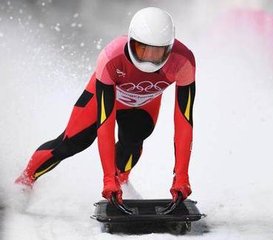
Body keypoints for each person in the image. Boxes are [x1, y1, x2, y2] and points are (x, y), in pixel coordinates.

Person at [15, 7, 196, 204]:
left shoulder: (184, 61)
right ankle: (24, 181)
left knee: (135, 137)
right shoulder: (111, 57)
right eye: (142, 49)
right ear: (131, 42)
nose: (149, 58)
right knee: (73, 141)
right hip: (106, 97)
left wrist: (182, 177)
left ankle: (123, 182)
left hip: (145, 103)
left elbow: (184, 121)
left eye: (157, 52)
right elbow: (105, 122)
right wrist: (107, 179)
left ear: (169, 48)